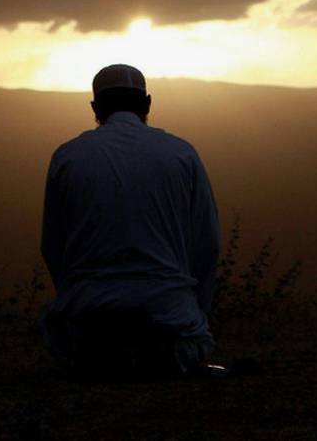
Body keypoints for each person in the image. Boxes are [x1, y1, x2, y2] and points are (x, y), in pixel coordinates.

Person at [39, 63, 224, 379]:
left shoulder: (68, 157)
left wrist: (76, 297)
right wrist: (195, 312)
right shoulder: (182, 154)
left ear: (95, 107)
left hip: (87, 329)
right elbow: (207, 244)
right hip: (174, 327)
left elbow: (53, 246)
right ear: (148, 103)